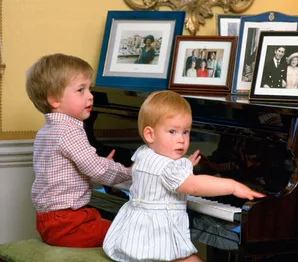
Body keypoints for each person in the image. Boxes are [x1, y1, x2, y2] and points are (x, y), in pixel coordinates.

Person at [103, 91, 265, 262]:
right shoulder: (168, 167)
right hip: (155, 241)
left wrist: (186, 164)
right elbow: (194, 186)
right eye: (172, 131)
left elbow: (143, 172)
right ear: (150, 134)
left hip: (135, 237)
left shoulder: (143, 153)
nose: (181, 139)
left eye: (186, 132)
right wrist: (232, 186)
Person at [25, 53, 132, 248]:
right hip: (69, 223)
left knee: (117, 228)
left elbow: (66, 174)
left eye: (89, 89)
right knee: (131, 234)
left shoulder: (46, 131)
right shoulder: (70, 130)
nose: (90, 95)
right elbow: (96, 169)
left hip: (49, 221)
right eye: (81, 90)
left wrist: (102, 168)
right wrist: (129, 173)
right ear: (54, 99)